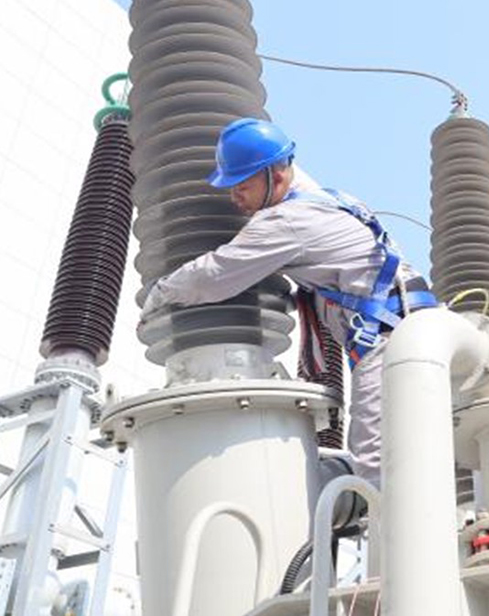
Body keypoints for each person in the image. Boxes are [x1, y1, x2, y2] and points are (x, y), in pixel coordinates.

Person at [140, 118, 436, 488]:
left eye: (242, 186)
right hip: (418, 326)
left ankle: (390, 523)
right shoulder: (335, 200)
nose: (234, 197)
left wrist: (159, 294)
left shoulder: (285, 222)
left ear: (276, 177)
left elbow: (213, 275)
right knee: (419, 451)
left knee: (377, 461)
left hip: (390, 340)